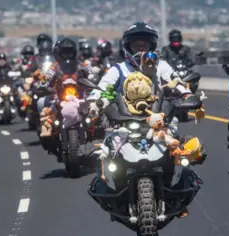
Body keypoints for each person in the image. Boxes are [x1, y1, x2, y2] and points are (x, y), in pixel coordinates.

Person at [87, 22, 204, 218]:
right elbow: (102, 87)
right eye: (136, 45)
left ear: (151, 47)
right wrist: (93, 101)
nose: (140, 49)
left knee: (178, 147)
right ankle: (112, 185)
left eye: (144, 45)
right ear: (128, 47)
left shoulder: (162, 66)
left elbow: (176, 81)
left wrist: (186, 95)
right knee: (106, 151)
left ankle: (178, 183)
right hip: (124, 121)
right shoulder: (118, 69)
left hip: (160, 119)